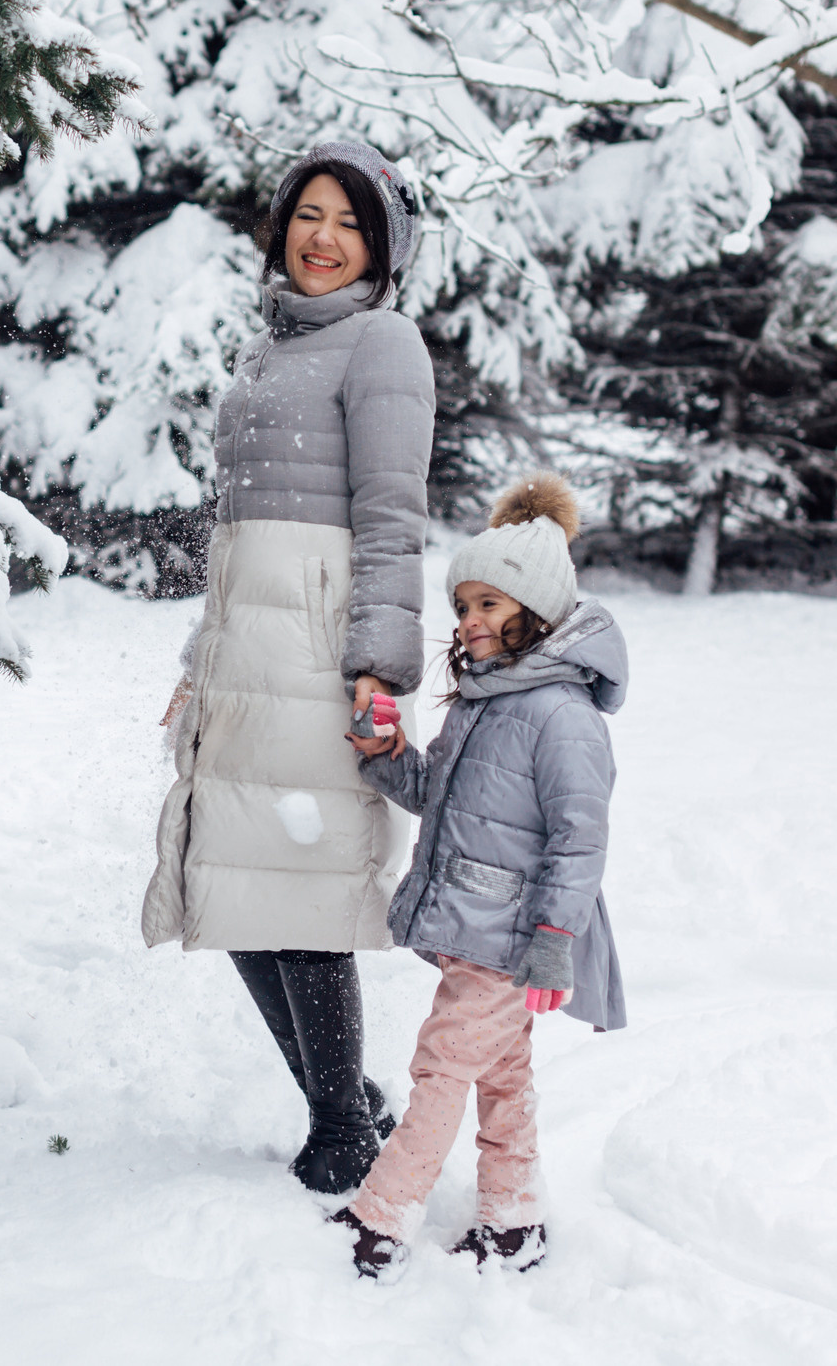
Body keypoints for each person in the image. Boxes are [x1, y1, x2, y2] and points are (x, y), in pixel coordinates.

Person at [142, 140, 436, 1194]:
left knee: (302, 894)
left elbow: (392, 517)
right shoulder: (270, 348)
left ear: (383, 247)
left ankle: (342, 1128)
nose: (323, 238)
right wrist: (202, 655)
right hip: (247, 653)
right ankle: (346, 1100)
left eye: (350, 223)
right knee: (235, 883)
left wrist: (378, 668)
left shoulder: (383, 342)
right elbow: (238, 529)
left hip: (320, 660)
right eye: (309, 214)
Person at [328, 473, 629, 1278]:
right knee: (501, 1076)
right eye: (462, 605)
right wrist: (387, 755)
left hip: (512, 938)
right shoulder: (484, 698)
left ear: (537, 609)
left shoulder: (562, 716)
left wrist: (555, 937)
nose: (469, 621)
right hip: (474, 927)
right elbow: (441, 794)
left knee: (439, 1069)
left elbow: (580, 839)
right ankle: (514, 1221)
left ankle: (381, 1217)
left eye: (489, 604)